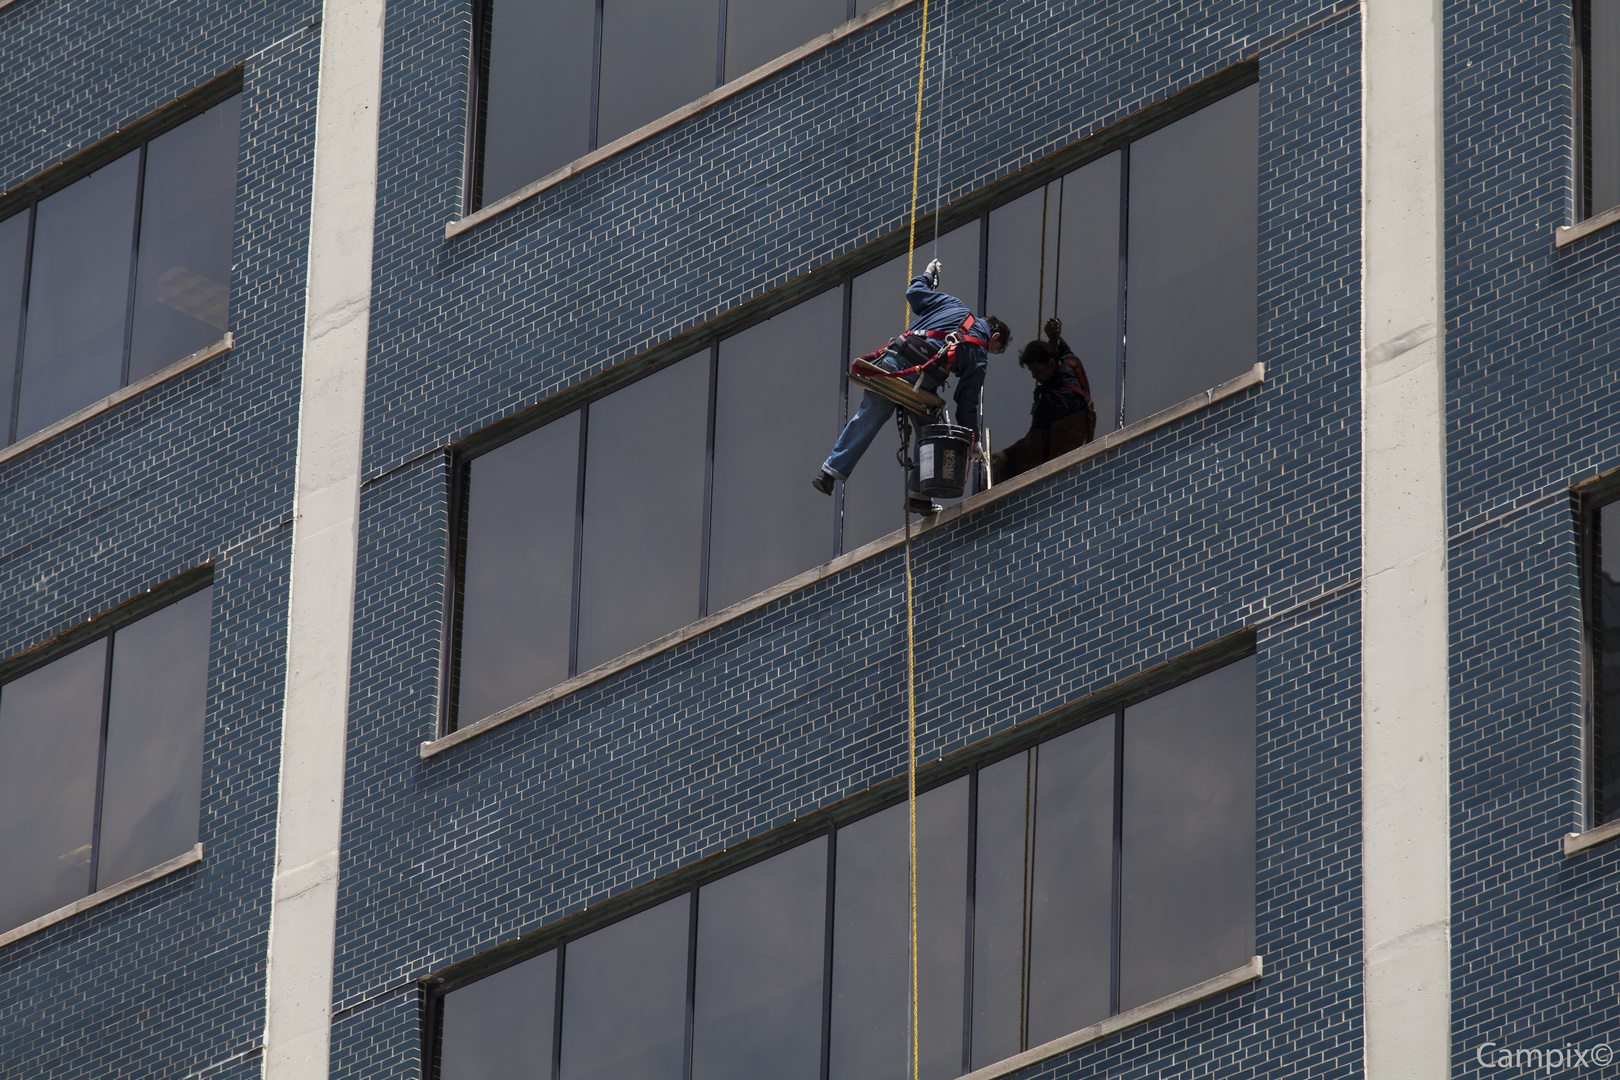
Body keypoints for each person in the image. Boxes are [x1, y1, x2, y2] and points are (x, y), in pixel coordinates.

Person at [811, 258, 1008, 513]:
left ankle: (829, 472)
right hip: (919, 381)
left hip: (891, 366)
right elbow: (966, 401)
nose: (989, 351)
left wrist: (927, 275)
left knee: (868, 418)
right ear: (995, 337)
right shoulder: (979, 350)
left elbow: (914, 294)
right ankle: (918, 496)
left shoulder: (954, 305)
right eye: (995, 349)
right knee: (932, 432)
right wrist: (974, 441)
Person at [989, 317, 1095, 483]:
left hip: (1055, 447)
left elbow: (1036, 438)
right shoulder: (1072, 363)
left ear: (1051, 364)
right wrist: (1054, 337)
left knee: (998, 462)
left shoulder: (1055, 399)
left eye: (1037, 371)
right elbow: (1063, 350)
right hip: (1062, 438)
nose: (1035, 376)